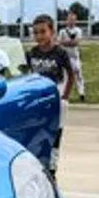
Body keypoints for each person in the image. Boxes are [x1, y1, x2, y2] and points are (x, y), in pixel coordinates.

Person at [26, 14, 75, 181]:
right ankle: (38, 165)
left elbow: (71, 74)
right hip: (38, 100)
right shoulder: (32, 53)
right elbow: (28, 76)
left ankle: (52, 170)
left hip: (56, 98)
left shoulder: (60, 53)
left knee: (55, 135)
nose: (39, 36)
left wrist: (64, 97)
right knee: (38, 133)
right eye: (36, 32)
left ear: (52, 32)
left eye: (43, 32)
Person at [58, 11, 86, 102]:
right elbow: (59, 42)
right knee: (65, 76)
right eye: (69, 19)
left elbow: (76, 43)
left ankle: (81, 93)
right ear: (67, 20)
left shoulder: (78, 30)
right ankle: (64, 94)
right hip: (66, 57)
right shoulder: (62, 31)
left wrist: (66, 43)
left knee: (78, 75)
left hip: (75, 56)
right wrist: (69, 43)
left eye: (73, 20)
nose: (71, 21)